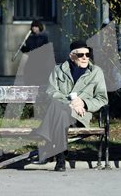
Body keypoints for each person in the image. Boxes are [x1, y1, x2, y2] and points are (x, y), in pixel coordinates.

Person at [35, 40, 108, 171]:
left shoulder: (96, 72)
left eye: (87, 54)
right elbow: (50, 92)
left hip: (80, 116)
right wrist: (70, 103)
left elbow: (102, 99)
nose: (85, 57)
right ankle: (61, 158)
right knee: (61, 111)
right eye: (81, 55)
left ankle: (49, 143)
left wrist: (84, 103)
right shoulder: (58, 70)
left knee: (57, 109)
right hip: (61, 114)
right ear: (72, 56)